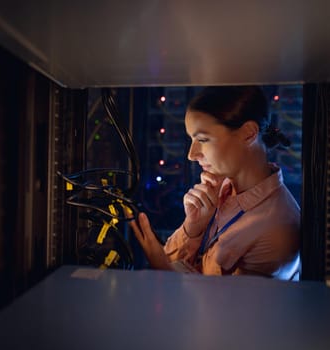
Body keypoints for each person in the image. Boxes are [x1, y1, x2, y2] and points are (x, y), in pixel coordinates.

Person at [129, 86, 301, 280]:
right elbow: (178, 262)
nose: (191, 155)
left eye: (202, 139)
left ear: (248, 133)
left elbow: (230, 310)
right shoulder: (221, 189)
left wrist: (163, 270)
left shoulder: (276, 230)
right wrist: (193, 229)